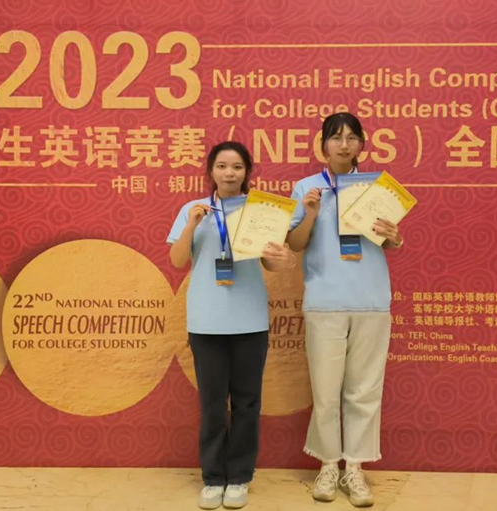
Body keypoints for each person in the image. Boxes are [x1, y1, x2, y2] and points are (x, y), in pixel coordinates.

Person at [168, 141, 296, 509]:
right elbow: (177, 260)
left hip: (249, 320)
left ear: (246, 172)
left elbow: (271, 263)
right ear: (210, 171)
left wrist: (281, 257)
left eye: (237, 167)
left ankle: (239, 477)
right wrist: (192, 225)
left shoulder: (262, 211)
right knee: (212, 404)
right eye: (222, 166)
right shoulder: (193, 210)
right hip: (206, 321)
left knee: (247, 403)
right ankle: (212, 478)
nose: (229, 173)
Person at [286, 113, 404, 507]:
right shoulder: (307, 188)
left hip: (371, 300)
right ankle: (327, 465)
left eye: (352, 138)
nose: (344, 145)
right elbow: (295, 244)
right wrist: (311, 211)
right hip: (324, 301)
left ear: (362, 145)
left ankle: (355, 467)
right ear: (323, 144)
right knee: (326, 391)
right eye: (336, 137)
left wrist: (395, 236)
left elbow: (388, 242)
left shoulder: (376, 186)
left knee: (364, 390)